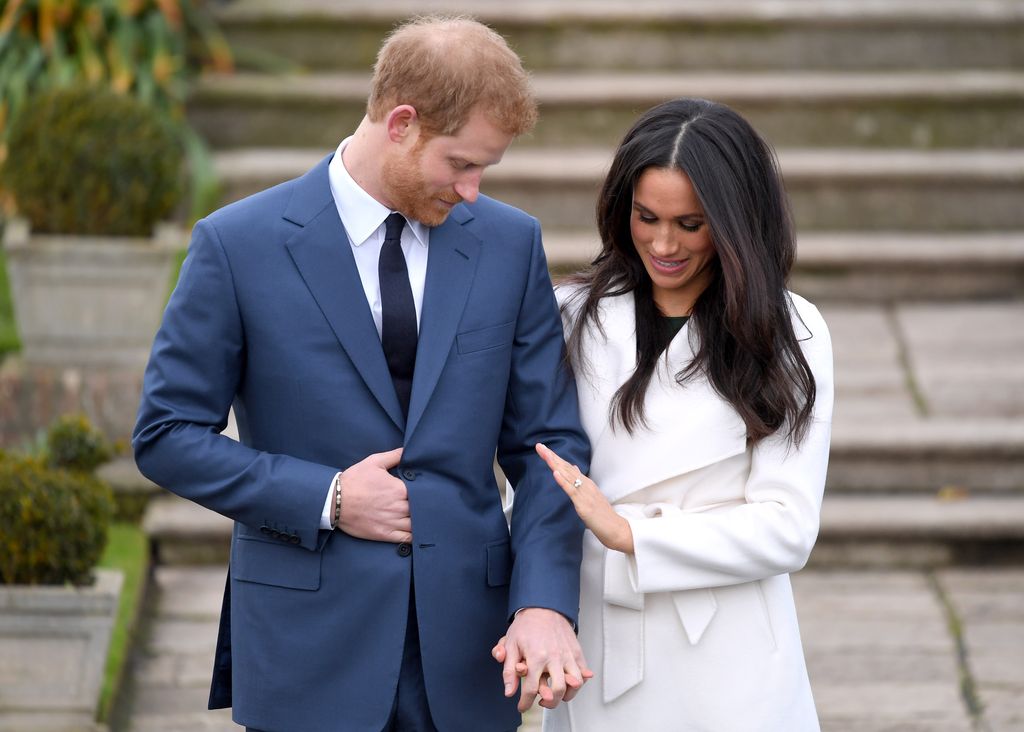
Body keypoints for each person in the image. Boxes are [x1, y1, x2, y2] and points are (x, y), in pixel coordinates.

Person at [132, 16, 592, 732]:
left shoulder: (510, 244)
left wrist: (542, 600)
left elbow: (549, 448)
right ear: (402, 123)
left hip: (470, 656)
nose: (473, 190)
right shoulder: (237, 245)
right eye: (462, 164)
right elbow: (165, 434)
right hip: (306, 651)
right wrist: (328, 496)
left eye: (485, 170)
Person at [496, 98, 834, 730]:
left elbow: (789, 526)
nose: (662, 243)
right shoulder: (571, 314)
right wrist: (527, 608)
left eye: (690, 224)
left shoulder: (790, 331)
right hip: (600, 640)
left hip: (728, 651)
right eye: (645, 217)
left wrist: (632, 535)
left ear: (735, 225)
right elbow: (536, 470)